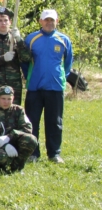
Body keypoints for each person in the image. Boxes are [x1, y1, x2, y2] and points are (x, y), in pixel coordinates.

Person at [24, 9, 73, 163]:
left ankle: (54, 154)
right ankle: (33, 153)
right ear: (40, 21)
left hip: (55, 87)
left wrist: (60, 77)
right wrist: (30, 77)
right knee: (32, 121)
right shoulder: (31, 39)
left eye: (52, 20)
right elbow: (24, 62)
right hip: (35, 87)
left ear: (57, 21)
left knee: (55, 122)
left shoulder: (64, 40)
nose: (49, 23)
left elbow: (68, 63)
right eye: (46, 20)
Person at [0, 85, 38, 172]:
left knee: (31, 139)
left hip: (15, 141)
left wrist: (10, 136)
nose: (6, 101)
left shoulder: (19, 110)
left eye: (9, 99)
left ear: (13, 98)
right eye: (3, 98)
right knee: (0, 158)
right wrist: (4, 145)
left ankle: (17, 167)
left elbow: (27, 128)